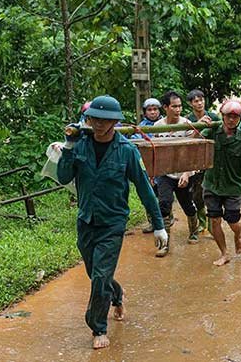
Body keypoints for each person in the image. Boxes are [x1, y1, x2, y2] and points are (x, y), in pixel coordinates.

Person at [57, 95, 168, 349]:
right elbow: (63, 178)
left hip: (112, 223)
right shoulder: (79, 145)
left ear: (114, 122)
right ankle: (116, 295)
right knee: (95, 273)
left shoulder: (127, 151)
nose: (99, 124)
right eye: (94, 118)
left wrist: (158, 224)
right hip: (86, 220)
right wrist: (68, 147)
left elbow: (144, 188)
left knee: (100, 275)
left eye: (105, 120)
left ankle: (98, 327)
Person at [202, 100, 241, 266]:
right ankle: (224, 253)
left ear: (240, 119)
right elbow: (194, 141)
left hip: (232, 186)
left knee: (233, 220)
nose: (231, 120)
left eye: (235, 117)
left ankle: (237, 235)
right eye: (229, 116)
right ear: (223, 116)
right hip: (212, 184)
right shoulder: (212, 131)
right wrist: (200, 126)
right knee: (214, 220)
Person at [153, 91, 199, 253]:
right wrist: (153, 173)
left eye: (180, 106)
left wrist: (187, 172)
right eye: (174, 106)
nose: (178, 109)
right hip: (165, 172)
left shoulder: (187, 124)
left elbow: (192, 150)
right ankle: (164, 244)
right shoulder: (157, 126)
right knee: (164, 204)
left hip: (183, 172)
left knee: (187, 205)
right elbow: (155, 151)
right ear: (165, 107)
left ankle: (194, 230)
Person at [186, 89, 218, 235]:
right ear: (190, 104)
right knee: (197, 194)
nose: (199, 103)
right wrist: (198, 126)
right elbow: (186, 141)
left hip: (211, 159)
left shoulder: (213, 116)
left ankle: (213, 225)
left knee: (211, 193)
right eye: (195, 101)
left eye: (201, 100)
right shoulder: (188, 119)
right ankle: (202, 222)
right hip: (195, 161)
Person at [133, 97, 164, 233]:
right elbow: (134, 142)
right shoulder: (141, 127)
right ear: (145, 112)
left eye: (155, 109)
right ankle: (152, 222)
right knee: (148, 195)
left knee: (163, 196)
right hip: (147, 166)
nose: (153, 112)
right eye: (149, 110)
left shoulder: (165, 123)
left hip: (162, 165)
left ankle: (165, 220)